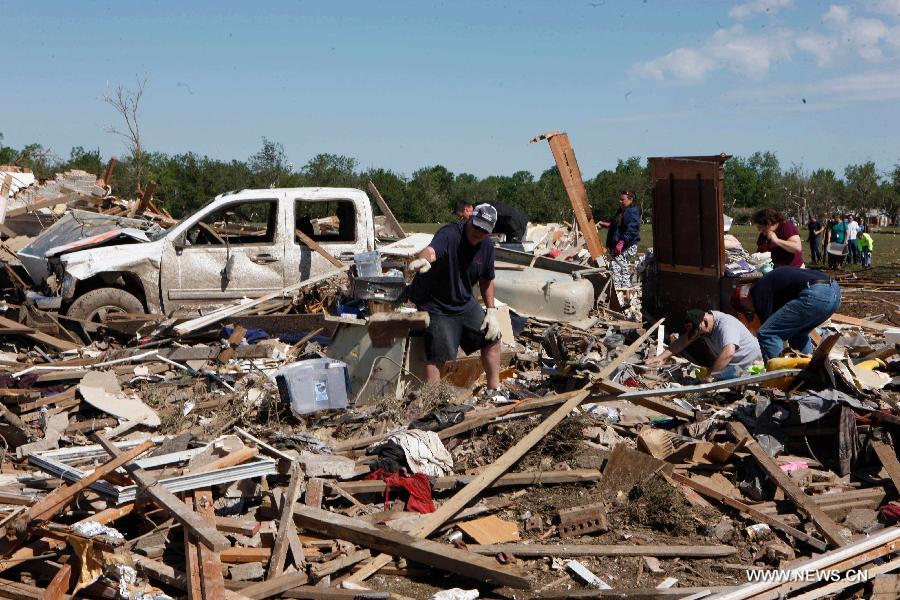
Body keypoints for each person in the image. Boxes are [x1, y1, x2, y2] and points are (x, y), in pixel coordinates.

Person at [407, 203, 503, 392]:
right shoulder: (450, 234)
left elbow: (486, 279)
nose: (478, 232)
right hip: (436, 302)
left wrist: (491, 310)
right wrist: (424, 259)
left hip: (464, 301)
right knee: (438, 354)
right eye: (476, 226)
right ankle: (431, 399)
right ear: (470, 219)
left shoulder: (487, 247)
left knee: (492, 338)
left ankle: (495, 390)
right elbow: (433, 250)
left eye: (484, 230)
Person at [746, 267, 841, 362]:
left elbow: (768, 326)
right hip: (834, 292)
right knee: (798, 335)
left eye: (746, 309)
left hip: (816, 293)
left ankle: (781, 374)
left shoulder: (758, 292)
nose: (749, 312)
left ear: (745, 298)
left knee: (767, 334)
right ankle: (806, 372)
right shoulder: (770, 284)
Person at [644, 309, 762, 379]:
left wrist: (710, 376)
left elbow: (728, 353)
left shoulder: (725, 325)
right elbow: (683, 341)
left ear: (705, 322)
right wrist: (660, 357)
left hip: (753, 363)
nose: (697, 335)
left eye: (698, 332)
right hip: (735, 365)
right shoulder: (704, 323)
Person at [601, 191, 641, 289]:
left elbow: (632, 229)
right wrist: (610, 225)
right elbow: (620, 225)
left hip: (627, 245)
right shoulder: (622, 211)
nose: (620, 201)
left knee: (617, 267)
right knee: (620, 267)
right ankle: (622, 292)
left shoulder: (632, 211)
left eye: (623, 199)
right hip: (621, 245)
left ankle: (620, 292)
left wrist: (622, 241)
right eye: (620, 199)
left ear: (630, 200)